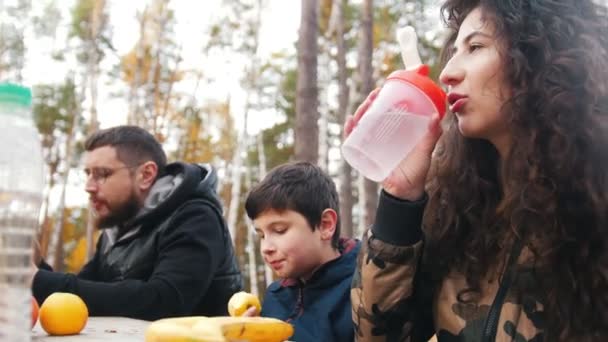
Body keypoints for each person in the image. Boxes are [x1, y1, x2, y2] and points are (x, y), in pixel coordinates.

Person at [348, 0, 608, 341]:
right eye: (455, 50)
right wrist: (400, 198)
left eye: (475, 47)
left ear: (538, 54)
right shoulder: (458, 209)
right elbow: (376, 336)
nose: (447, 73)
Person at [33, 125, 243, 320]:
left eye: (102, 174)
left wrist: (37, 279)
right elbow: (84, 294)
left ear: (146, 174)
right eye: (88, 174)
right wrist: (34, 264)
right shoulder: (117, 227)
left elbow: (165, 301)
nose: (89, 186)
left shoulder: (195, 217)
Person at [244, 161, 361, 341]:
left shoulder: (363, 291)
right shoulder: (275, 296)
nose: (266, 248)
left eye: (279, 230)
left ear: (325, 225)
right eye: (261, 235)